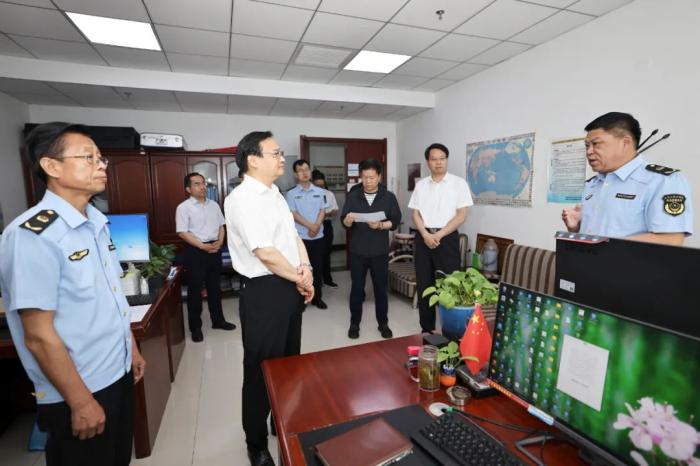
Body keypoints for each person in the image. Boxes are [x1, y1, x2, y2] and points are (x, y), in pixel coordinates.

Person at [0, 122, 146, 466]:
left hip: (117, 371)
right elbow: (38, 336)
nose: (101, 165)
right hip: (79, 387)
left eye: (101, 158)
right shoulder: (33, 235)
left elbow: (111, 296)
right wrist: (80, 401)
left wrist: (131, 347)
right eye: (88, 158)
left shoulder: (96, 223)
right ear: (51, 166)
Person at [224, 131, 313, 466]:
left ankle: (282, 419)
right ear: (253, 160)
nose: (282, 159)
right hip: (263, 291)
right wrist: (298, 277)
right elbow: (264, 252)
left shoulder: (275, 192)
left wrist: (306, 270)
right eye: (275, 153)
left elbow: (292, 237)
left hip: (288, 283)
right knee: (260, 371)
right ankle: (256, 444)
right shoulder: (242, 199)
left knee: (289, 365)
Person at [562, 112, 693, 244]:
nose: (589, 151)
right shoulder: (592, 184)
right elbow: (594, 236)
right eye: (587, 146)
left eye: (596, 144)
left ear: (625, 143)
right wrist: (576, 228)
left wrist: (604, 246)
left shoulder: (663, 181)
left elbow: (671, 240)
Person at [408, 143, 473, 333]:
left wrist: (438, 234)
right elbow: (415, 214)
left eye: (442, 158)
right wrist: (425, 234)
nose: (439, 162)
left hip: (447, 239)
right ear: (428, 162)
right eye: (434, 159)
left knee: (449, 285)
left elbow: (462, 215)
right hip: (423, 238)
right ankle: (426, 329)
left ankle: (450, 329)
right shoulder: (421, 185)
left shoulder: (459, 183)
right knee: (425, 285)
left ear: (447, 160)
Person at [341, 159, 401, 339]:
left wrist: (381, 225)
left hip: (379, 252)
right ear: (361, 176)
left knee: (380, 290)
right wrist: (347, 221)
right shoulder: (353, 196)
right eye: (365, 177)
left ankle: (383, 323)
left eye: (372, 177)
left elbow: (395, 221)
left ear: (379, 176)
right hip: (358, 251)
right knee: (356, 289)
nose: (368, 181)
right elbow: (344, 222)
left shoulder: (388, 197)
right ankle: (354, 324)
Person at [176, 173, 236, 342]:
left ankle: (218, 321)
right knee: (195, 290)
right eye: (197, 184)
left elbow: (222, 226)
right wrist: (202, 246)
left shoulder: (214, 205)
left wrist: (220, 241)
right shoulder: (183, 208)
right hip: (196, 251)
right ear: (188, 189)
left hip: (215, 249)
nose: (202, 187)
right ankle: (195, 328)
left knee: (215, 287)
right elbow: (182, 232)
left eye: (203, 183)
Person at [286, 160, 328, 309]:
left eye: (306, 169)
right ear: (295, 174)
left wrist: (316, 226)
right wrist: (311, 226)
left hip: (318, 237)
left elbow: (323, 210)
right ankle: (301, 300)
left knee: (317, 268)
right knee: (301, 271)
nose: (304, 173)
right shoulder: (291, 194)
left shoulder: (320, 191)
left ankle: (317, 298)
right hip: (300, 239)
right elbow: (293, 214)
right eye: (300, 170)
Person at [312, 169, 339, 288]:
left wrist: (324, 214)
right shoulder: (308, 195)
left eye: (322, 185)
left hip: (326, 225)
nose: (320, 188)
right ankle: (316, 281)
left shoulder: (329, 194)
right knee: (314, 254)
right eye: (317, 185)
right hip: (311, 226)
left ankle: (327, 279)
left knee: (326, 253)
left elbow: (334, 210)